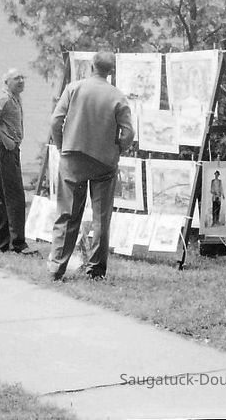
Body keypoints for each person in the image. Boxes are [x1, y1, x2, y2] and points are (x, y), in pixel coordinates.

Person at [47, 51, 135, 281]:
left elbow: (56, 120)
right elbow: (128, 132)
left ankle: (57, 267)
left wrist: (61, 146)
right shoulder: (117, 96)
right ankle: (96, 270)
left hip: (73, 156)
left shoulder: (74, 88)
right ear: (111, 71)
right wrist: (118, 149)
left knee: (67, 214)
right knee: (101, 217)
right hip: (104, 162)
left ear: (91, 66)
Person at [0, 68, 36, 255]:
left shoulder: (14, 98)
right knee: (15, 198)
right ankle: (18, 245)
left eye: (22, 77)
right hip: (3, 152)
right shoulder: (4, 98)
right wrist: (5, 138)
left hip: (8, 152)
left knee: (3, 197)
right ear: (6, 82)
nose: (21, 80)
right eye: (16, 78)